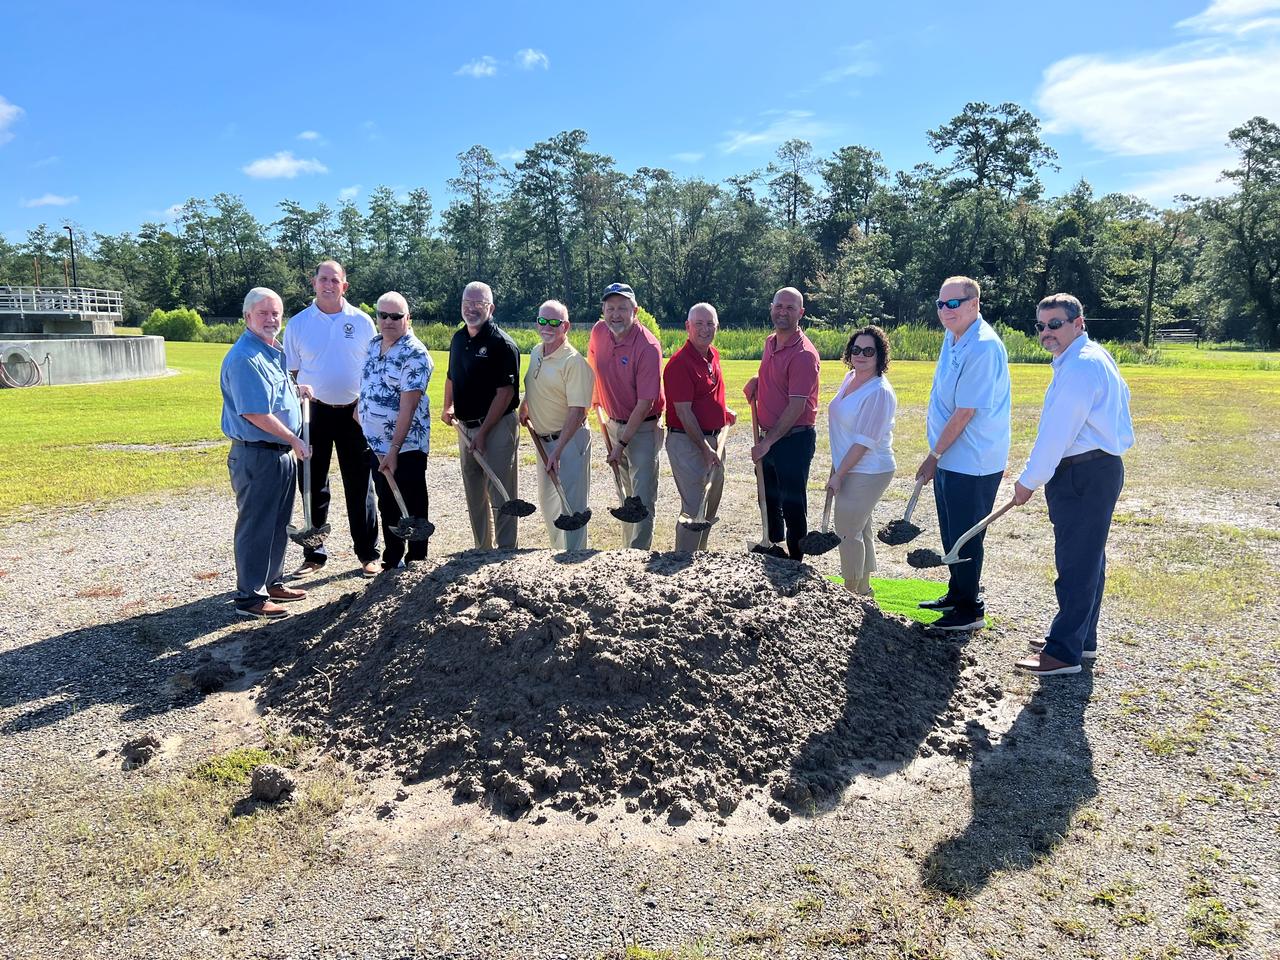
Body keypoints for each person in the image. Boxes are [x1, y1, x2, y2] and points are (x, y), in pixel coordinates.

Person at [1012, 294, 1134, 677]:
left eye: (1055, 324)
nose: (1046, 332)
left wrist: (1028, 481)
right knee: (1089, 559)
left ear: (1078, 323)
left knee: (1076, 564)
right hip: (1095, 469)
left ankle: (1064, 652)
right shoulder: (1087, 357)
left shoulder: (1081, 366)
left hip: (1084, 473)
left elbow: (1056, 433)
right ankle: (1083, 639)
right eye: (1041, 326)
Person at [915, 276, 1011, 632]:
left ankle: (970, 610)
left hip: (973, 460)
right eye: (940, 304)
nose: (945, 310)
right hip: (951, 457)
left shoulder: (983, 346)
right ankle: (957, 593)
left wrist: (934, 454)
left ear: (974, 304)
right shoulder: (953, 336)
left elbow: (965, 411)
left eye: (953, 303)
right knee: (951, 531)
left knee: (965, 537)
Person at [283, 260, 380, 578]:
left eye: (334, 280)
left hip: (354, 412)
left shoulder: (362, 321)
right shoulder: (298, 324)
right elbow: (291, 372)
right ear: (313, 283)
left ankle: (368, 553)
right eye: (323, 279)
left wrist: (364, 402)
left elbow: (373, 369)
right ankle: (314, 554)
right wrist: (299, 392)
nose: (328, 285)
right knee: (312, 482)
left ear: (344, 286)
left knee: (360, 484)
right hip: (314, 412)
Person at [220, 287, 311, 620]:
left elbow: (275, 397)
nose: (271, 319)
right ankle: (250, 597)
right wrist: (294, 438)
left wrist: (298, 391)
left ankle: (272, 582)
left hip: (279, 453)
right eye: (263, 313)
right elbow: (255, 412)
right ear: (247, 316)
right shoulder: (245, 358)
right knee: (257, 524)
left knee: (278, 522)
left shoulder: (273, 350)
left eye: (276, 313)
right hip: (257, 454)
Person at [743, 287, 821, 560]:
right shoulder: (770, 342)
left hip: (794, 440)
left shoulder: (804, 354)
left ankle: (795, 562)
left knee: (792, 504)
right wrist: (757, 380)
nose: (783, 312)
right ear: (771, 308)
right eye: (779, 306)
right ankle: (773, 547)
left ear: (801, 313)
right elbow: (776, 377)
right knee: (769, 497)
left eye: (790, 308)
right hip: (770, 437)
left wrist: (767, 443)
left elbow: (796, 406)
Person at [442, 281, 522, 550]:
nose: (471, 308)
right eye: (467, 303)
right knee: (474, 491)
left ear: (491, 308)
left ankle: (506, 550)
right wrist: (448, 406)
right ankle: (482, 549)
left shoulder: (502, 344)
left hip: (497, 427)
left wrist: (484, 433)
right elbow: (451, 377)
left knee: (501, 490)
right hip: (466, 427)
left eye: (479, 303)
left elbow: (505, 394)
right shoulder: (458, 339)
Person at [358, 291, 434, 571]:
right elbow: (367, 383)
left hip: (406, 446)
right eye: (383, 315)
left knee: (411, 504)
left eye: (396, 316)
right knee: (387, 503)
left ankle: (416, 563)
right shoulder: (373, 344)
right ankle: (392, 561)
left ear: (407, 318)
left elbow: (408, 406)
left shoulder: (415, 353)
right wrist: (360, 410)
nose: (388, 321)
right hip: (376, 444)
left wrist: (394, 450)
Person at [588, 282, 665, 549]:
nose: (615, 314)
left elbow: (645, 403)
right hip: (612, 423)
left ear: (635, 311)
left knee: (641, 499)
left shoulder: (648, 346)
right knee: (625, 496)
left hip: (643, 428)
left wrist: (621, 444)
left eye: (622, 308)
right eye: (610, 308)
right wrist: (595, 400)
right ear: (603, 311)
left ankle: (638, 555)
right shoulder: (599, 331)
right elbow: (593, 364)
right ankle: (626, 554)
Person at [518, 299, 594, 550]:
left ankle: (574, 557)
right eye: (542, 321)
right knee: (549, 502)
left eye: (554, 322)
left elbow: (578, 411)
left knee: (571, 506)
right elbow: (534, 383)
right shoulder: (537, 351)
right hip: (543, 441)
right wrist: (526, 406)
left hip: (569, 441)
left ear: (566, 326)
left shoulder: (573, 362)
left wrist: (558, 450)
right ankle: (557, 554)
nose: (547, 327)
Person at [826, 326, 897, 595]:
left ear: (880, 356)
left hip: (869, 470)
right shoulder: (850, 378)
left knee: (846, 531)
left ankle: (851, 592)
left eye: (869, 351)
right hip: (849, 466)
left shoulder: (879, 392)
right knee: (860, 527)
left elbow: (863, 442)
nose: (861, 355)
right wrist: (837, 466)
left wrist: (839, 474)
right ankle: (864, 591)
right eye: (856, 349)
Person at [664, 302, 735, 552]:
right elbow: (684, 413)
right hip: (688, 442)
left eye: (710, 324)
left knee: (709, 506)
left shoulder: (712, 355)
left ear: (717, 326)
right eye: (699, 324)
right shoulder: (679, 364)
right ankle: (682, 559)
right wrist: (705, 449)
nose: (705, 329)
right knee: (694, 508)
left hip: (715, 441)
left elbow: (706, 395)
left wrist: (723, 412)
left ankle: (699, 559)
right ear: (688, 326)